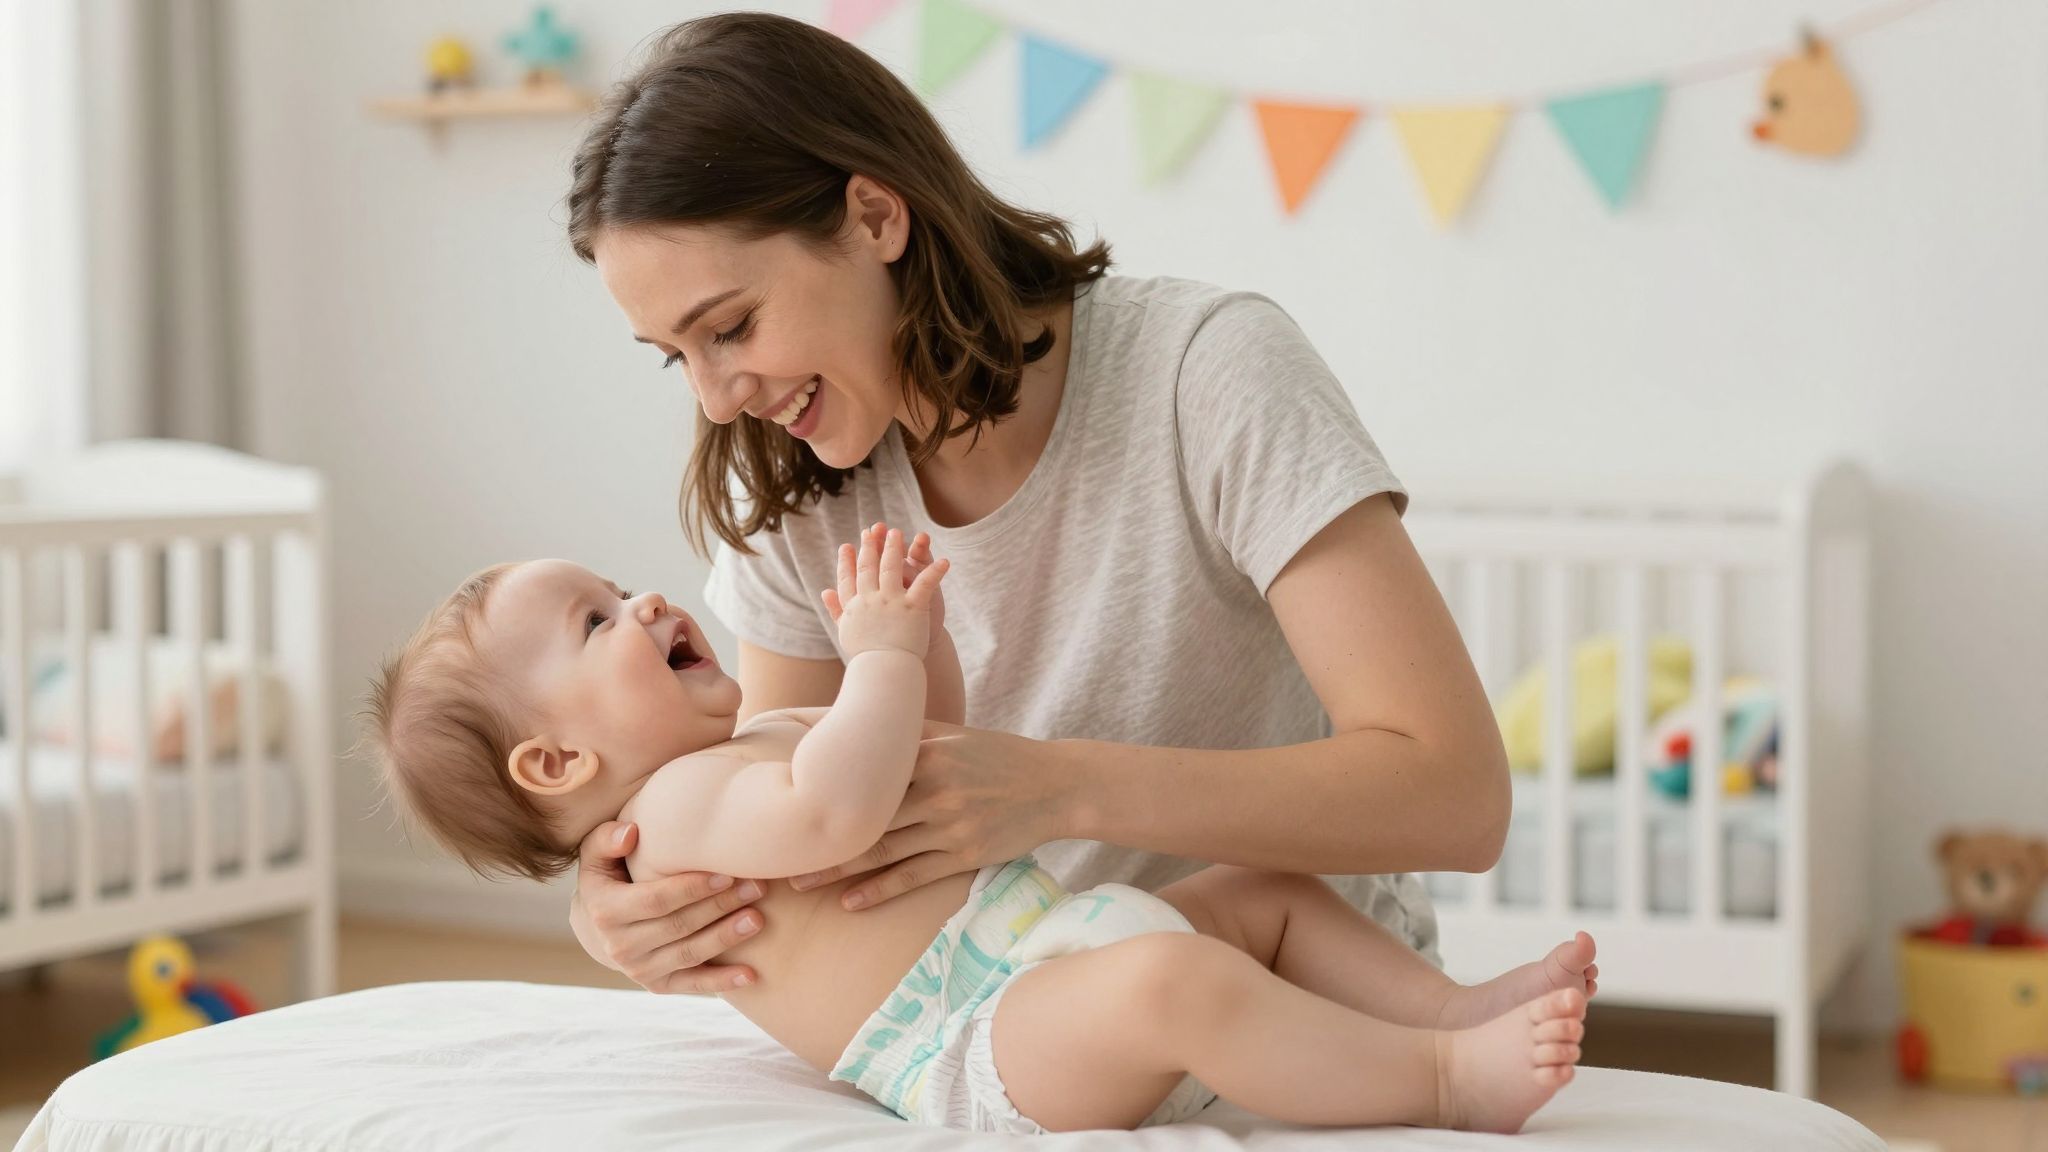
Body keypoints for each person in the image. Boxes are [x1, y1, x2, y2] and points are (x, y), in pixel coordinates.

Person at [563, 11, 1510, 1002]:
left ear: (875, 217)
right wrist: (625, 895)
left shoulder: (1207, 371)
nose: (715, 399)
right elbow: (778, 820)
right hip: (1017, 1036)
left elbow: (1456, 797)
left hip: (1306, 1011)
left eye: (730, 327)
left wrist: (1061, 790)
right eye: (677, 356)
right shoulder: (787, 474)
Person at [366, 526, 1595, 1135]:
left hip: (1046, 946)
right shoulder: (681, 807)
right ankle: (1440, 1082)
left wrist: (915, 650)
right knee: (1172, 977)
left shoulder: (745, 747)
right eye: (593, 626)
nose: (637, 600)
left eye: (609, 588)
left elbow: (911, 755)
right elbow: (835, 809)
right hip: (973, 1040)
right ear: (560, 762)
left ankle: (1446, 1008)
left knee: (1263, 891)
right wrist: (877, 659)